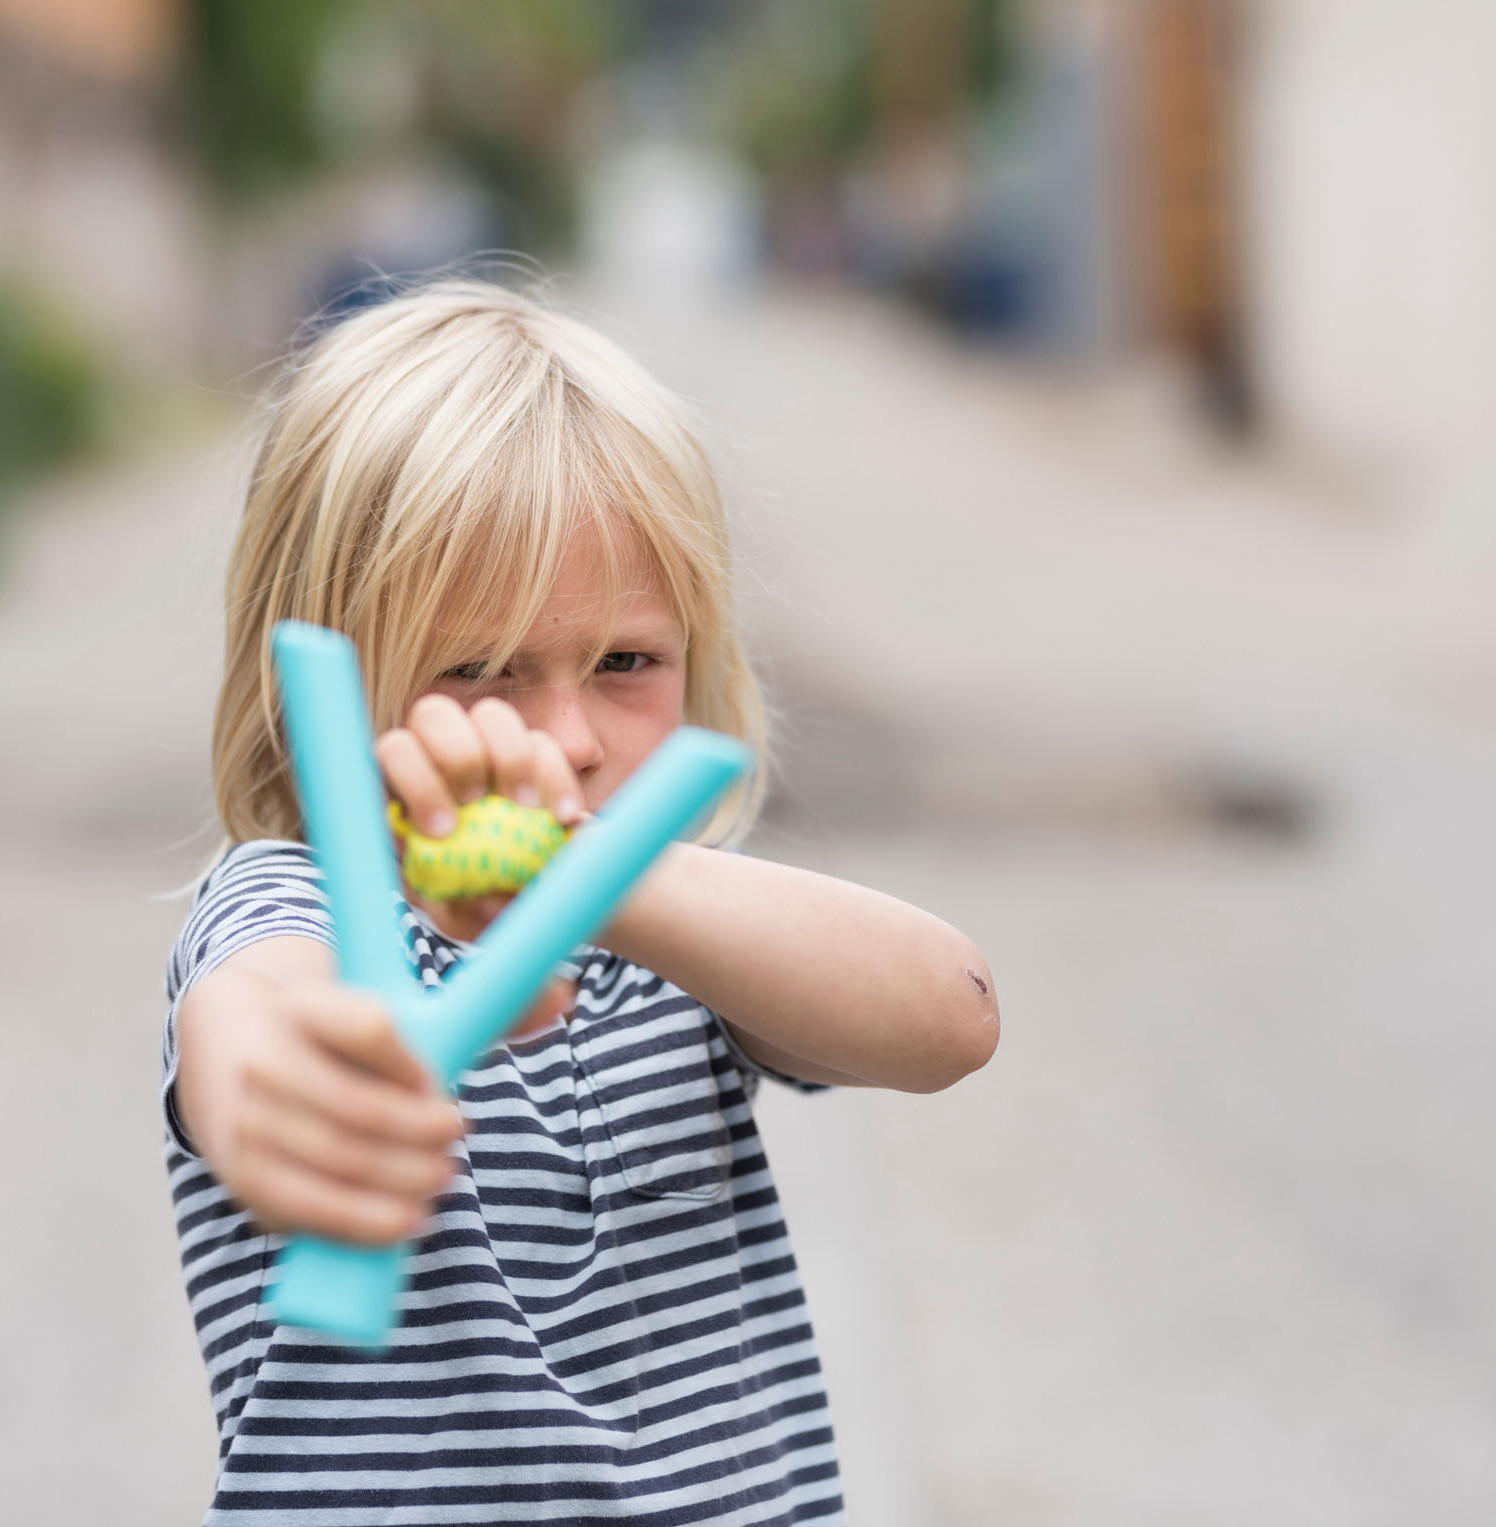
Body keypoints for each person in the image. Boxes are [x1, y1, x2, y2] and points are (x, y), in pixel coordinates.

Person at [161, 271, 1000, 1524]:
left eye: (624, 664)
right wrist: (286, 1092)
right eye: (480, 668)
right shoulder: (296, 904)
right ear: (324, 672)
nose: (569, 737)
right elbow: (252, 1018)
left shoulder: (676, 932)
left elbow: (952, 1017)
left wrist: (602, 881)